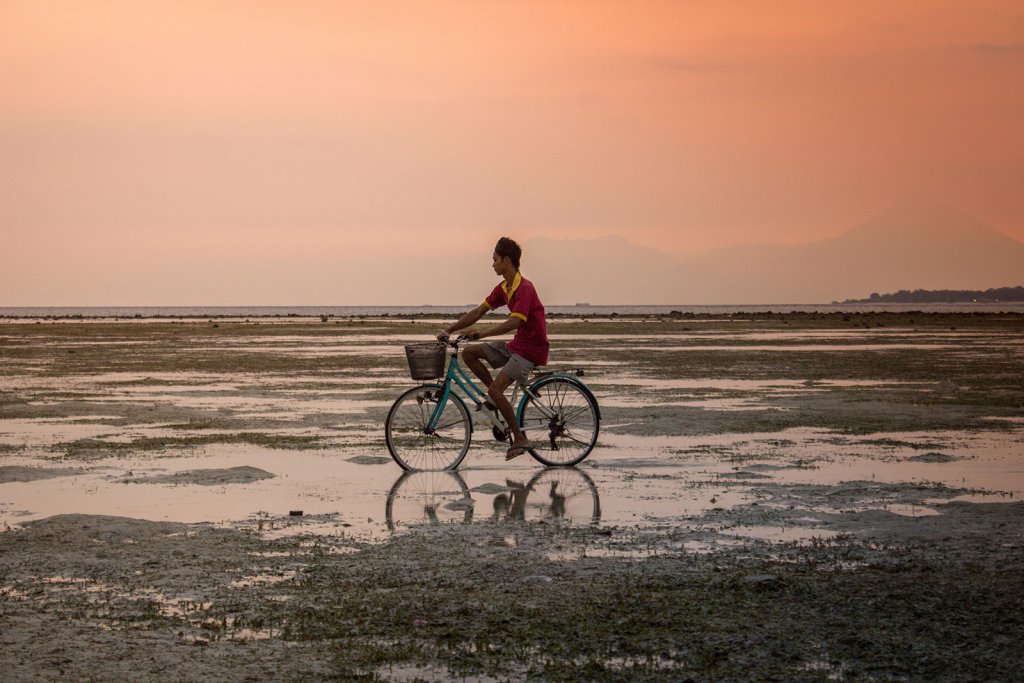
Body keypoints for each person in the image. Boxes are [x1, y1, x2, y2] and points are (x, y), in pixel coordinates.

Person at [439, 237, 549, 460]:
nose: (492, 264)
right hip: (516, 345)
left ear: (506, 261)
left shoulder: (525, 288)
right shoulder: (504, 288)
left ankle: (519, 438)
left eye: (495, 260)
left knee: (496, 390)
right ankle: (494, 401)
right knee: (469, 353)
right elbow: (478, 311)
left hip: (531, 350)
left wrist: (482, 334)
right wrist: (449, 330)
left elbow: (514, 322)